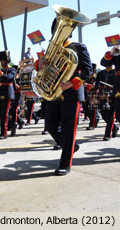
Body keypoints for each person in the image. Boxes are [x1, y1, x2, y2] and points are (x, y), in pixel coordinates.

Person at [37, 18, 92, 176]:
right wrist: (40, 62)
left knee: (68, 130)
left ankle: (65, 164)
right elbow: (45, 68)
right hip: (54, 94)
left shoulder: (78, 47)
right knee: (51, 126)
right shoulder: (51, 49)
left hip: (71, 94)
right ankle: (71, 146)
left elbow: (88, 71)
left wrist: (72, 83)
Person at [100, 45, 120, 134]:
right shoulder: (117, 54)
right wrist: (111, 53)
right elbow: (104, 63)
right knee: (118, 112)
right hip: (118, 86)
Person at [96, 64, 118, 141]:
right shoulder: (100, 73)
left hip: (113, 96)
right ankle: (115, 127)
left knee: (111, 115)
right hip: (103, 96)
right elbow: (96, 84)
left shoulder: (116, 72)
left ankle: (108, 134)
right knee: (103, 115)